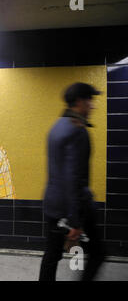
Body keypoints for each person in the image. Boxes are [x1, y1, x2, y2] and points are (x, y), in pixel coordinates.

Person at [39, 82, 105, 281]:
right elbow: (73, 178)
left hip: (53, 204)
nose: (92, 106)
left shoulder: (57, 125)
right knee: (98, 253)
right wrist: (75, 221)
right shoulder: (77, 131)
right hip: (71, 208)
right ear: (79, 102)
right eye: (89, 100)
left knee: (52, 255)